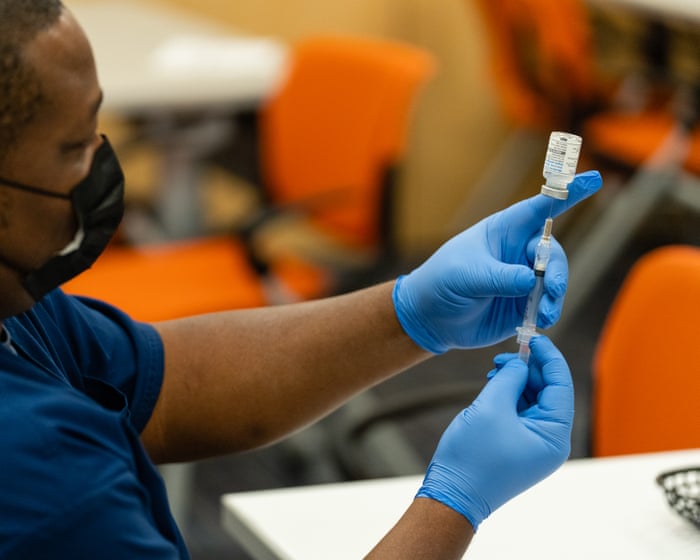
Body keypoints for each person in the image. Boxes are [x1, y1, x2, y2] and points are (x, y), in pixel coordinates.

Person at [0, 2, 602, 558]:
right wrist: (455, 502)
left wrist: (412, 313)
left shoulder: (18, 305)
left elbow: (163, 386)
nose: (102, 164)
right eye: (74, 148)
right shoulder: (48, 482)